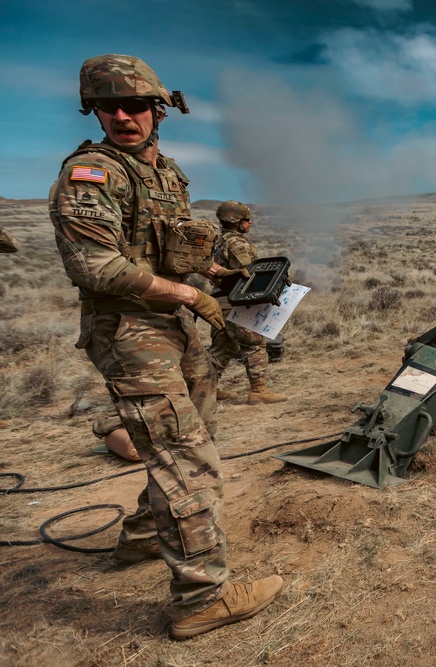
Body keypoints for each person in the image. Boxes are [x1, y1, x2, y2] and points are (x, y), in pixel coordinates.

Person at [49, 54, 282, 639]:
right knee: (186, 456)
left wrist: (218, 278)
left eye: (135, 106)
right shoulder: (92, 174)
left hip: (172, 324)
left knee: (189, 434)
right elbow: (96, 266)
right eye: (109, 107)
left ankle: (146, 537)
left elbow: (171, 252)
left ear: (160, 109)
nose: (123, 117)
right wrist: (188, 292)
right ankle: (201, 599)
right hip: (130, 332)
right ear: (94, 111)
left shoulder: (164, 173)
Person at [208, 201, 288, 404]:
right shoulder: (237, 243)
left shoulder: (218, 240)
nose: (250, 222)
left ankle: (205, 390)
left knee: (222, 348)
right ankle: (258, 391)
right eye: (246, 219)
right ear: (236, 221)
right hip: (236, 302)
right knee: (254, 344)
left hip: (220, 301)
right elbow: (248, 274)